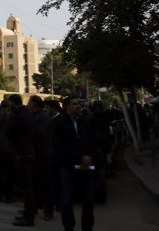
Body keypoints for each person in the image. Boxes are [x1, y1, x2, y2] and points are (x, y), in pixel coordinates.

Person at [54, 97, 97, 231]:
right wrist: (79, 157)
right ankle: (68, 226)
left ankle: (87, 227)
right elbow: (59, 144)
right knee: (67, 200)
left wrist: (90, 156)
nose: (78, 106)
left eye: (79, 104)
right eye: (74, 104)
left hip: (85, 165)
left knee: (88, 200)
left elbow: (92, 140)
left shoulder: (84, 122)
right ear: (66, 106)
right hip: (67, 165)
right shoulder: (59, 123)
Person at [7, 94, 37, 227]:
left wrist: (11, 117)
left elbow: (9, 131)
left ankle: (28, 217)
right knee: (27, 187)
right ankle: (28, 212)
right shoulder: (27, 114)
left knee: (26, 187)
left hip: (23, 154)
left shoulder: (19, 116)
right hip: (27, 152)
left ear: (12, 104)